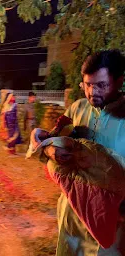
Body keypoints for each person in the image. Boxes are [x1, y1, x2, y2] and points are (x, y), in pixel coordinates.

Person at [32, 50, 125, 255]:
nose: (92, 92)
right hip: (71, 213)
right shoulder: (77, 108)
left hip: (110, 220)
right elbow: (51, 139)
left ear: (119, 81)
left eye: (101, 85)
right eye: (88, 85)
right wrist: (50, 150)